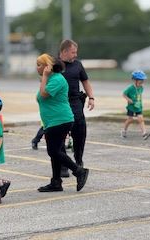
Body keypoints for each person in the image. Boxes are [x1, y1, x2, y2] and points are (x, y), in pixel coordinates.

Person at [36, 53, 89, 192]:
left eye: (39, 65)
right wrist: (45, 78)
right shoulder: (50, 79)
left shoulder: (57, 79)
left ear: (48, 67)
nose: (37, 68)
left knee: (53, 151)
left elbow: (43, 94)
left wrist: (45, 77)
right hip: (52, 122)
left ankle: (78, 171)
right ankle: (56, 182)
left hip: (60, 120)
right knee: (56, 151)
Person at [59, 39, 95, 177]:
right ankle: (63, 165)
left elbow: (85, 81)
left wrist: (91, 97)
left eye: (76, 52)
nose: (75, 55)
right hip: (60, 104)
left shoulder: (78, 65)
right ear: (64, 51)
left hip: (75, 103)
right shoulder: (55, 64)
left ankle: (78, 160)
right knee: (60, 135)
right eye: (73, 52)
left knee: (80, 132)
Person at [121, 70, 150, 140]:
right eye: (140, 80)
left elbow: (139, 96)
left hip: (138, 107)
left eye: (143, 80)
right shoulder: (130, 88)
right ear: (135, 80)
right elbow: (124, 94)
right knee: (130, 119)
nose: (142, 82)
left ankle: (144, 133)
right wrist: (129, 100)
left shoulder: (141, 88)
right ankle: (124, 131)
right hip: (131, 107)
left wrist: (139, 103)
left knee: (141, 119)